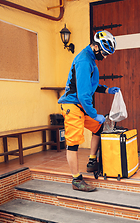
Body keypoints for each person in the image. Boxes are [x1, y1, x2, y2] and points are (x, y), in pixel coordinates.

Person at [58, 30, 119, 192]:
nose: (105, 57)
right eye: (104, 53)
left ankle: (92, 161)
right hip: (73, 106)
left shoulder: (90, 59)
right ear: (96, 46)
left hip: (81, 106)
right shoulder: (84, 61)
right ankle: (76, 179)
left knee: (98, 128)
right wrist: (93, 114)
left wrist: (106, 90)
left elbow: (90, 85)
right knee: (73, 143)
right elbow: (83, 94)